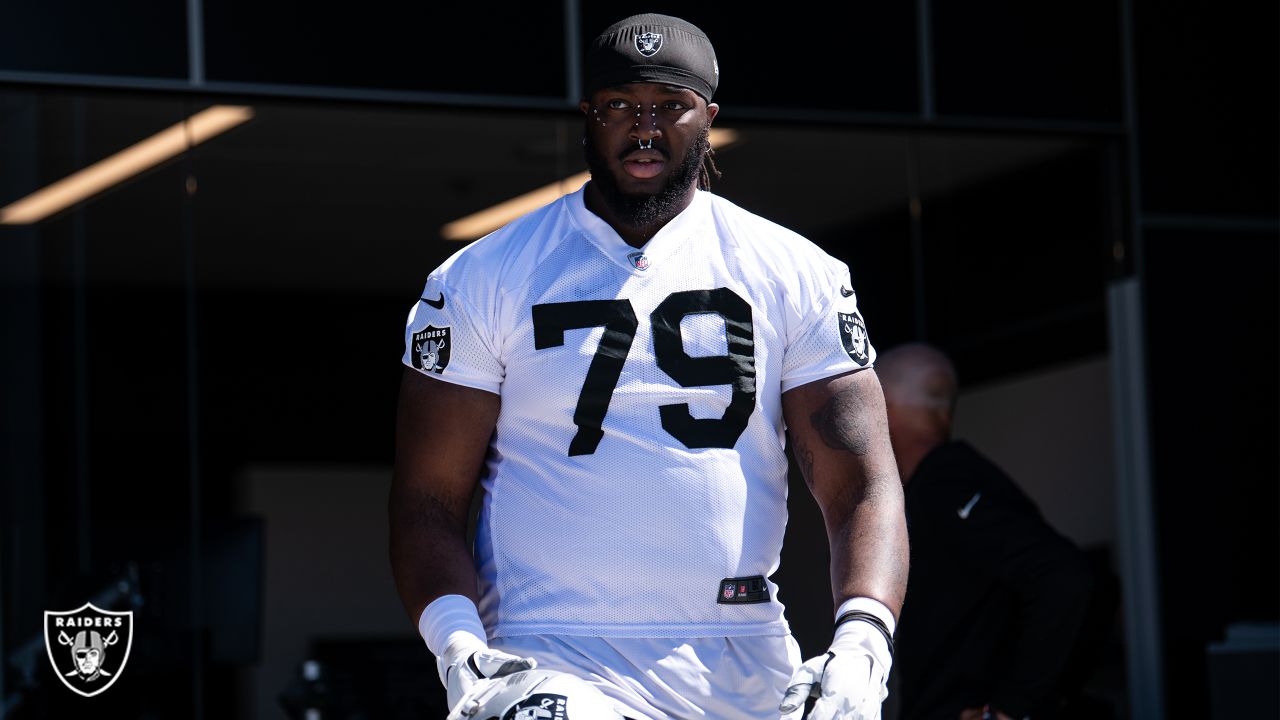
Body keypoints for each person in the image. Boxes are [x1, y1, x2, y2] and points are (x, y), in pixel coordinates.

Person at [390, 13, 908, 719]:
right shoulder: (483, 276)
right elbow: (427, 499)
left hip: (741, 657)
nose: (644, 128)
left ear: (709, 119)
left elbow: (862, 484)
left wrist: (863, 643)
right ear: (587, 116)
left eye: (670, 106)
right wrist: (458, 647)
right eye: (620, 107)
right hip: (550, 656)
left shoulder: (794, 272)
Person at [876, 343, 1095, 720]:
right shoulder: (944, 483)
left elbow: (1069, 577)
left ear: (884, 406)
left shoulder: (947, 482)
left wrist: (1009, 709)